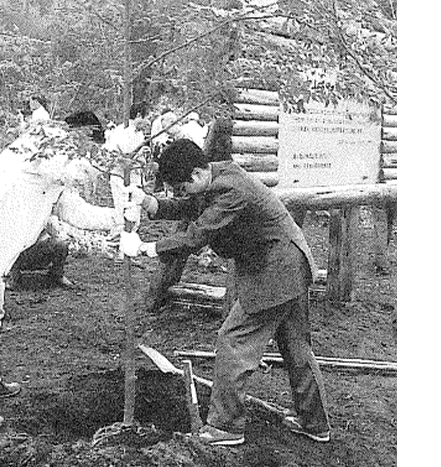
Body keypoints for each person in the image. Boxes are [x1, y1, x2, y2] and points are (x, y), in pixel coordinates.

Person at [120, 139, 331, 447]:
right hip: (289, 262)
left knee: (233, 341)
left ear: (194, 175)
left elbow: (197, 235)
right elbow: (190, 206)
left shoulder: (231, 190)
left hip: (276, 269)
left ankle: (226, 426)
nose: (179, 195)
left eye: (180, 188)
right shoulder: (217, 176)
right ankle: (315, 423)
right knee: (296, 347)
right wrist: (149, 203)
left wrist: (145, 248)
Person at [0, 116, 122, 433]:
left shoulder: (54, 174)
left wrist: (120, 217)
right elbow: (69, 168)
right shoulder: (42, 142)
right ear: (74, 137)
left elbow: (77, 212)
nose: (87, 153)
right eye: (88, 145)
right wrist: (117, 160)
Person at [8, 215, 75, 289]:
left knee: (61, 245)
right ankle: (12, 276)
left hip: (37, 249)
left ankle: (57, 274)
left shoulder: (42, 211)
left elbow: (52, 232)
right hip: (19, 253)